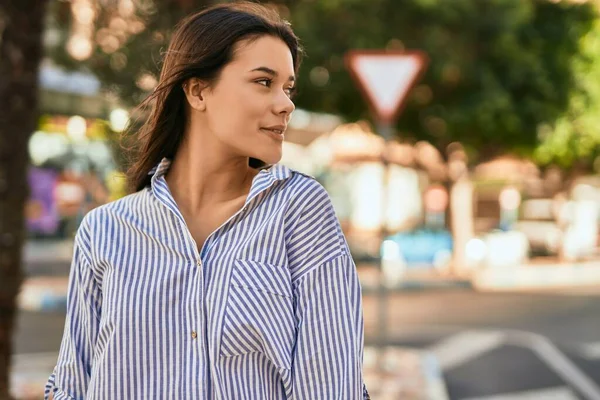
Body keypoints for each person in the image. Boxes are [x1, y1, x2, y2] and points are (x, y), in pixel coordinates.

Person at [45, 2, 369, 399]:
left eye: (288, 88)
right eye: (264, 82)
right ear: (198, 90)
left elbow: (333, 388)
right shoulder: (105, 230)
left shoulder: (298, 211)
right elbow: (71, 386)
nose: (286, 104)